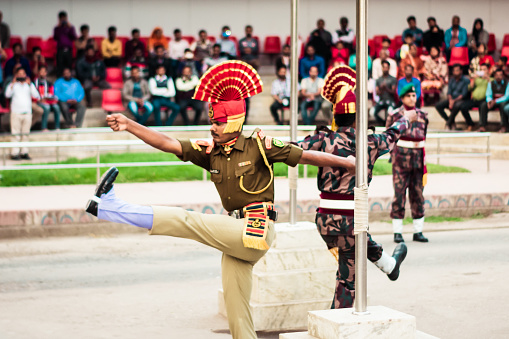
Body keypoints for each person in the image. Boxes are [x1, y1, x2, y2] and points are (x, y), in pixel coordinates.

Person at [86, 60, 355, 338]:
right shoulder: (212, 152)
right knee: (237, 313)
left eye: (217, 122)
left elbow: (308, 156)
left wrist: (347, 163)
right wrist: (130, 124)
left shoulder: (259, 146)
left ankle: (110, 207)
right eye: (211, 121)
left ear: (235, 121)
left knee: (187, 220)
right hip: (234, 235)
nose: (212, 127)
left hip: (257, 230)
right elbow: (168, 144)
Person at [298, 65, 412, 309]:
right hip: (352, 219)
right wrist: (406, 119)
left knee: (347, 265)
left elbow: (291, 147)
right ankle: (336, 323)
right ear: (359, 118)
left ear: (335, 116)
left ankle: (389, 265)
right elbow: (393, 134)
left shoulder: (322, 138)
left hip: (324, 220)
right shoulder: (370, 142)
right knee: (348, 281)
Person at [386, 83, 429, 243]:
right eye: (409, 96)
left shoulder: (423, 115)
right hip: (401, 161)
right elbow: (389, 138)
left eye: (414, 95)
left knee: (418, 194)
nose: (412, 98)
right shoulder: (396, 115)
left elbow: (424, 136)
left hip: (418, 160)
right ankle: (398, 232)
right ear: (402, 98)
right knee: (399, 194)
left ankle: (418, 231)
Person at [5, 67, 40, 160]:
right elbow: (7, 95)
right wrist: (12, 83)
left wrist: (29, 85)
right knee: (15, 134)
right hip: (16, 112)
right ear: (16, 75)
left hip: (27, 112)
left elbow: (37, 95)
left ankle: (24, 152)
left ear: (25, 75)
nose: (21, 76)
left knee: (26, 134)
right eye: (19, 74)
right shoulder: (13, 85)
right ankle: (14, 153)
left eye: (22, 74)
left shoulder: (29, 85)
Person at [435, 64, 471, 130]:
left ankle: (448, 123)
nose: (455, 72)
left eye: (457, 70)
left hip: (462, 100)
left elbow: (464, 94)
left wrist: (453, 101)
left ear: (461, 71)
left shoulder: (466, 80)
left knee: (457, 105)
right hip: (452, 99)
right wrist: (450, 100)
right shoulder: (452, 80)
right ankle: (450, 121)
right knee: (438, 105)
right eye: (454, 71)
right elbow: (449, 92)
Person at [460, 63, 491, 131]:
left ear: (488, 70)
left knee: (483, 106)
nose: (482, 71)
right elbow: (469, 88)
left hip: (485, 100)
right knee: (463, 106)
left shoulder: (491, 79)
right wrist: (473, 80)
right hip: (474, 100)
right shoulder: (476, 79)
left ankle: (482, 126)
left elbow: (493, 87)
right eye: (481, 70)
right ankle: (470, 124)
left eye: (484, 69)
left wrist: (488, 78)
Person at [479, 68, 509, 133]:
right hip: (493, 102)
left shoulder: (507, 83)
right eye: (497, 75)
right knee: (483, 105)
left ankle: (504, 126)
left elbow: (507, 97)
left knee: (503, 105)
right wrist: (489, 101)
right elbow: (488, 94)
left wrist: (495, 101)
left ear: (503, 76)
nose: (498, 77)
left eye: (500, 75)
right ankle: (482, 126)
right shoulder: (491, 83)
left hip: (502, 101)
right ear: (494, 76)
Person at [35, 65, 61, 131]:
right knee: (47, 108)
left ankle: (57, 127)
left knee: (56, 107)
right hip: (39, 101)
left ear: (46, 73)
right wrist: (40, 99)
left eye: (44, 72)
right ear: (38, 72)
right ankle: (44, 127)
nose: (43, 73)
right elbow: (34, 94)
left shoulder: (48, 83)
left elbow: (51, 93)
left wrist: (49, 97)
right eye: (41, 72)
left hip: (48, 101)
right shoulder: (35, 82)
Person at [53, 11, 77, 77]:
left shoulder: (70, 28)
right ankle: (59, 79)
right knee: (60, 66)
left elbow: (74, 37)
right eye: (61, 18)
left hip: (68, 50)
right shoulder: (57, 28)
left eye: (64, 18)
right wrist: (58, 27)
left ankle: (69, 79)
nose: (63, 19)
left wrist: (70, 27)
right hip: (60, 50)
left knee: (69, 65)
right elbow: (55, 37)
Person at [374, 60, 397, 125]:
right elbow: (377, 93)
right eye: (384, 67)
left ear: (389, 68)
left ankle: (389, 125)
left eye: (386, 67)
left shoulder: (393, 79)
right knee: (374, 113)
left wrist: (386, 88)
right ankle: (382, 123)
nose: (385, 69)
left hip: (390, 100)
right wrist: (381, 88)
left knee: (390, 112)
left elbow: (393, 92)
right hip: (381, 100)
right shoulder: (379, 80)